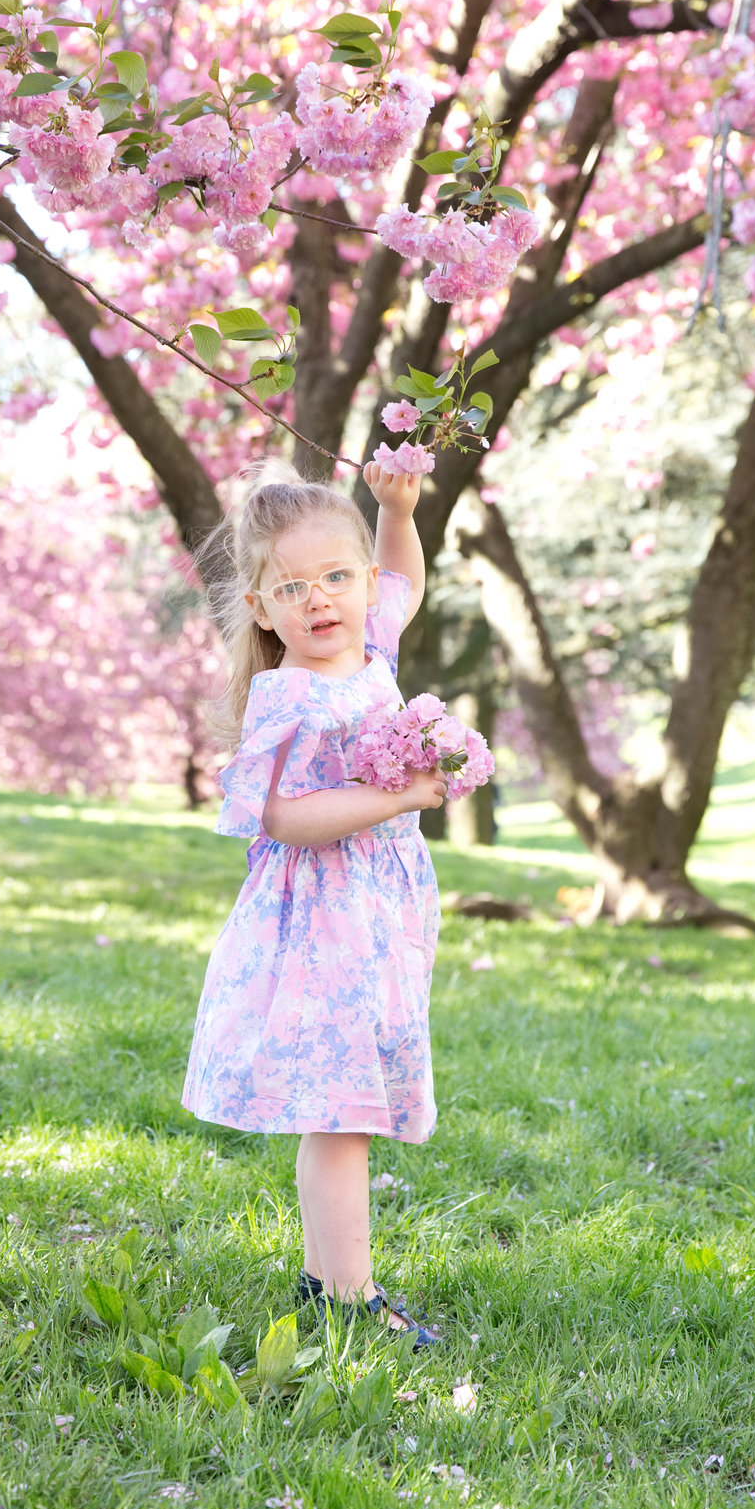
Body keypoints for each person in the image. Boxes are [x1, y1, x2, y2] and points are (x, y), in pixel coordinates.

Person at [182, 460, 446, 1348]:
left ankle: (328, 1276)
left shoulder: (373, 649)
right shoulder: (288, 695)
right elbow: (286, 819)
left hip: (377, 914)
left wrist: (395, 507)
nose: (319, 600)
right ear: (261, 609)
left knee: (352, 1104)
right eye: (292, 588)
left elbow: (403, 579)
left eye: (337, 577)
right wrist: (399, 798)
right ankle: (346, 1293)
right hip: (320, 922)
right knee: (342, 1112)